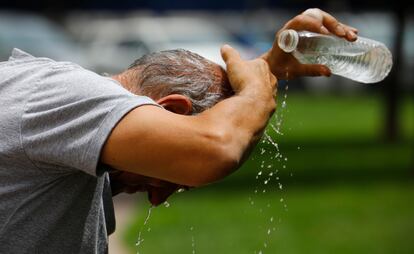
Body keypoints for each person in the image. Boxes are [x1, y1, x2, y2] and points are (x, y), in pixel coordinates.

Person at [0, 8, 357, 253]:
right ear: (171, 110)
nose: (158, 198)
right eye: (172, 178)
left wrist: (265, 71)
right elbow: (213, 150)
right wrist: (254, 90)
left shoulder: (67, 127)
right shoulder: (69, 93)